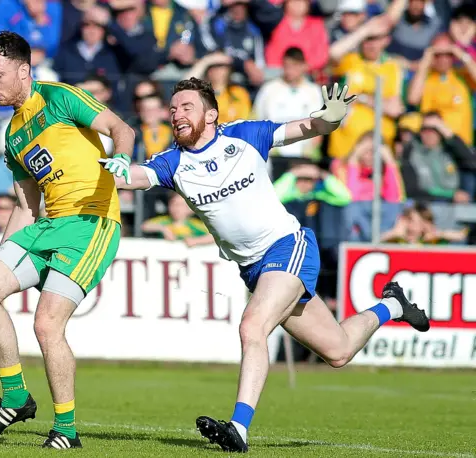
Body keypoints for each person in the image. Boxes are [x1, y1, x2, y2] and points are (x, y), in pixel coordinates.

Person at [112, 77, 430, 453]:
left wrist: (331, 120)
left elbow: (310, 126)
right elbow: (131, 177)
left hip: (288, 246)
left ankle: (239, 430)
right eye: (174, 109)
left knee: (252, 326)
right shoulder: (173, 162)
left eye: (187, 107)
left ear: (211, 114)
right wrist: (108, 166)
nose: (176, 114)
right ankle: (393, 304)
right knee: (338, 351)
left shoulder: (247, 135)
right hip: (257, 270)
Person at [0, 31, 135, 450]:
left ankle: (67, 431)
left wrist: (124, 161)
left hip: (91, 224)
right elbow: (25, 207)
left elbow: (119, 127)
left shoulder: (59, 97)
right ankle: (16, 396)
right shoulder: (13, 134)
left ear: (24, 70)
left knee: (46, 324)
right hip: (48, 224)